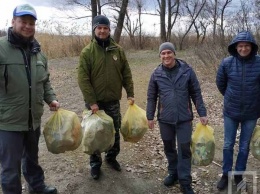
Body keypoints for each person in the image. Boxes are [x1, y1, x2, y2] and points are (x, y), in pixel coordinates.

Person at [0, 4, 59, 194]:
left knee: (32, 159)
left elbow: (45, 81)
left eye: (31, 23)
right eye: (23, 22)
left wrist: (51, 99)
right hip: (8, 122)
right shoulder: (1, 49)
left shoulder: (38, 52)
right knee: (10, 169)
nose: (27, 26)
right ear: (13, 22)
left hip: (33, 120)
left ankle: (36, 187)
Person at [78, 15, 134, 180]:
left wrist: (130, 93)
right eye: (99, 28)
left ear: (109, 30)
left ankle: (111, 158)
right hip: (95, 104)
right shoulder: (87, 52)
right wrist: (92, 102)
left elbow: (127, 73)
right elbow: (83, 79)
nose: (102, 31)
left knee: (114, 131)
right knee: (94, 134)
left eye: (105, 28)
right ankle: (95, 165)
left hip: (112, 102)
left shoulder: (118, 50)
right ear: (94, 30)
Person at [146, 42, 208, 194]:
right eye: (163, 53)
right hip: (165, 119)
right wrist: (150, 116)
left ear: (174, 54)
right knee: (169, 148)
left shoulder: (187, 71)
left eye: (169, 53)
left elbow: (196, 93)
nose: (166, 56)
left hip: (184, 119)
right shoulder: (156, 74)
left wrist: (202, 112)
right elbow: (151, 97)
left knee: (184, 149)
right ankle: (173, 172)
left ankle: (185, 181)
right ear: (160, 56)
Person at [216, 31, 260, 191]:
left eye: (246, 45)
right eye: (240, 46)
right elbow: (220, 83)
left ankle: (239, 174)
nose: (243, 48)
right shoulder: (227, 63)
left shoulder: (259, 62)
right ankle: (226, 174)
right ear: (235, 47)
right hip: (231, 111)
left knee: (244, 146)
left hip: (252, 112)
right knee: (228, 144)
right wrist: (230, 97)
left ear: (252, 47)